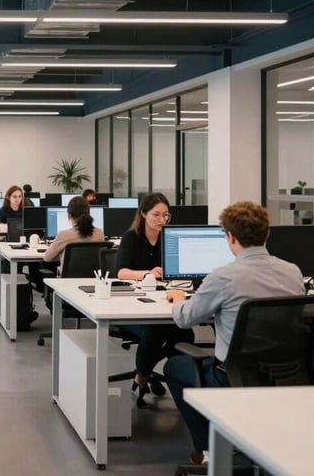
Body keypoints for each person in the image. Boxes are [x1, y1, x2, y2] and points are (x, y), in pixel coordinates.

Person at [163, 201, 305, 466]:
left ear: (230, 237)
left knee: (175, 366)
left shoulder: (223, 277)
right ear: (268, 233)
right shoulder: (293, 272)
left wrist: (178, 297)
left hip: (232, 376)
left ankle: (207, 451)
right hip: (285, 374)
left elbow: (185, 319)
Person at [114, 192, 194, 406]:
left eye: (166, 215)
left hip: (164, 300)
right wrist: (147, 273)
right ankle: (142, 376)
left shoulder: (169, 237)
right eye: (156, 215)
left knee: (185, 333)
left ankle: (152, 373)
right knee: (154, 331)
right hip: (133, 307)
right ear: (143, 214)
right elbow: (120, 272)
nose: (161, 220)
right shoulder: (132, 237)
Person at [28, 196, 105, 296]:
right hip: (94, 286)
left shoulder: (63, 235)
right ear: (89, 213)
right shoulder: (99, 233)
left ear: (69, 215)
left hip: (68, 287)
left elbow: (47, 258)